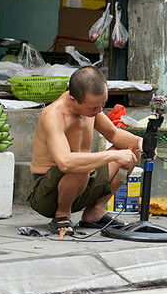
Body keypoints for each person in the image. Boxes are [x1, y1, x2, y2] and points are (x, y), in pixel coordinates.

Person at [28, 66, 144, 237]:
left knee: (133, 151)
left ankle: (96, 211)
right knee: (79, 164)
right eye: (93, 108)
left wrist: (140, 142)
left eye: (102, 105)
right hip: (47, 194)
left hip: (83, 183)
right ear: (74, 100)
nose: (98, 111)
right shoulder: (53, 115)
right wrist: (112, 155)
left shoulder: (93, 109)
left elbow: (113, 134)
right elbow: (65, 162)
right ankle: (62, 214)